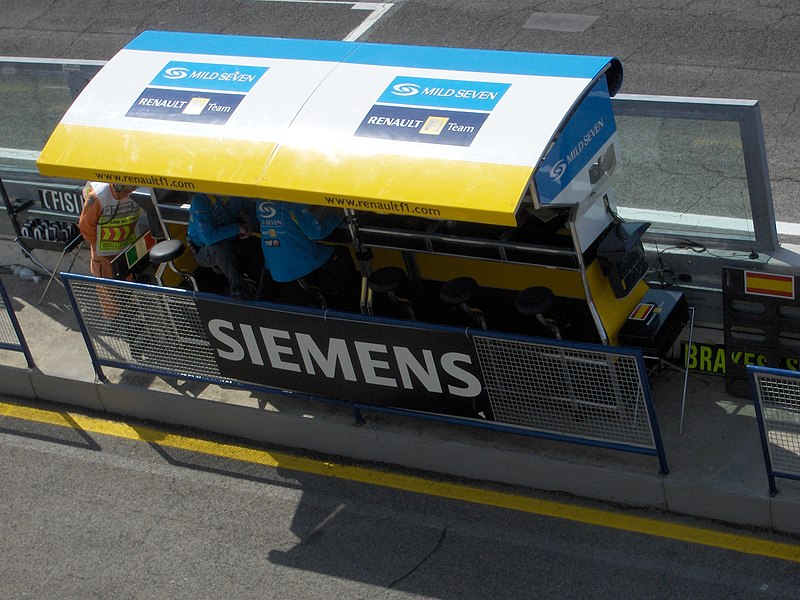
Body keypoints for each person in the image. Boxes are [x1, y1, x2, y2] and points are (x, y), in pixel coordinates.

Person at [256, 200, 358, 309]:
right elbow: (317, 233)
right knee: (342, 253)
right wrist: (339, 214)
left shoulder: (260, 200)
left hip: (275, 268)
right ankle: (349, 306)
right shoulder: (292, 202)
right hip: (302, 264)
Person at [186, 193, 262, 300]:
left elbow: (251, 206)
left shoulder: (232, 194)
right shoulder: (200, 201)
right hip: (205, 250)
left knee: (255, 243)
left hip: (231, 239)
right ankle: (237, 288)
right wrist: (237, 228)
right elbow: (208, 237)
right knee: (219, 246)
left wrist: (251, 225)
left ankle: (264, 282)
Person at [79, 182, 141, 279]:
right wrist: (97, 246)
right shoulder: (98, 196)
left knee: (128, 288)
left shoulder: (138, 190)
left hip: (127, 247)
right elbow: (86, 225)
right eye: (127, 190)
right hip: (103, 255)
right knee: (108, 289)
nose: (129, 193)